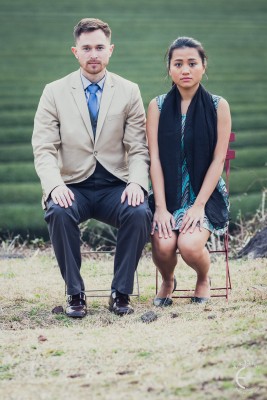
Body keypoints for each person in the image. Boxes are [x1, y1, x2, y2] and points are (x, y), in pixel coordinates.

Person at [32, 18, 152, 318]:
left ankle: (120, 293)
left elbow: (138, 146)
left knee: (139, 212)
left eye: (100, 47)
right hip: (72, 185)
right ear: (75, 51)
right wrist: (55, 186)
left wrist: (137, 183)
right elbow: (44, 148)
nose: (94, 54)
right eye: (87, 48)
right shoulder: (54, 91)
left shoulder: (129, 90)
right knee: (57, 212)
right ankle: (75, 293)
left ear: (110, 50)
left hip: (115, 184)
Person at [146, 37, 231, 306]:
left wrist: (198, 206)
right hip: (167, 194)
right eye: (178, 63)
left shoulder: (218, 106)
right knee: (162, 243)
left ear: (203, 66)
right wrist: (160, 207)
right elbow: (155, 159)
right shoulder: (157, 106)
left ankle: (203, 278)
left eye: (192, 63)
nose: (185, 69)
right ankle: (168, 280)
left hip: (203, 194)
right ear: (169, 68)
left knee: (190, 245)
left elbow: (218, 161)